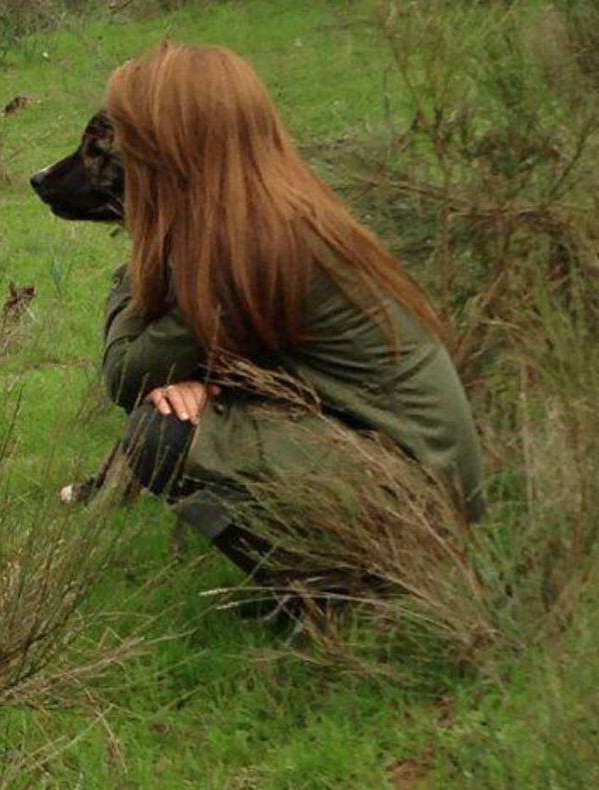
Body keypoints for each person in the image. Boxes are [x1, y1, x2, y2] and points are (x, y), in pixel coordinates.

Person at [99, 43, 485, 580]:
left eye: (132, 142)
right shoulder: (278, 216)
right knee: (179, 416)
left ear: (174, 150)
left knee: (160, 433)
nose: (123, 157)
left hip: (418, 508)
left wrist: (134, 265)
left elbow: (126, 374)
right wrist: (206, 384)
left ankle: (335, 602)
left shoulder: (246, 249)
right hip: (426, 485)